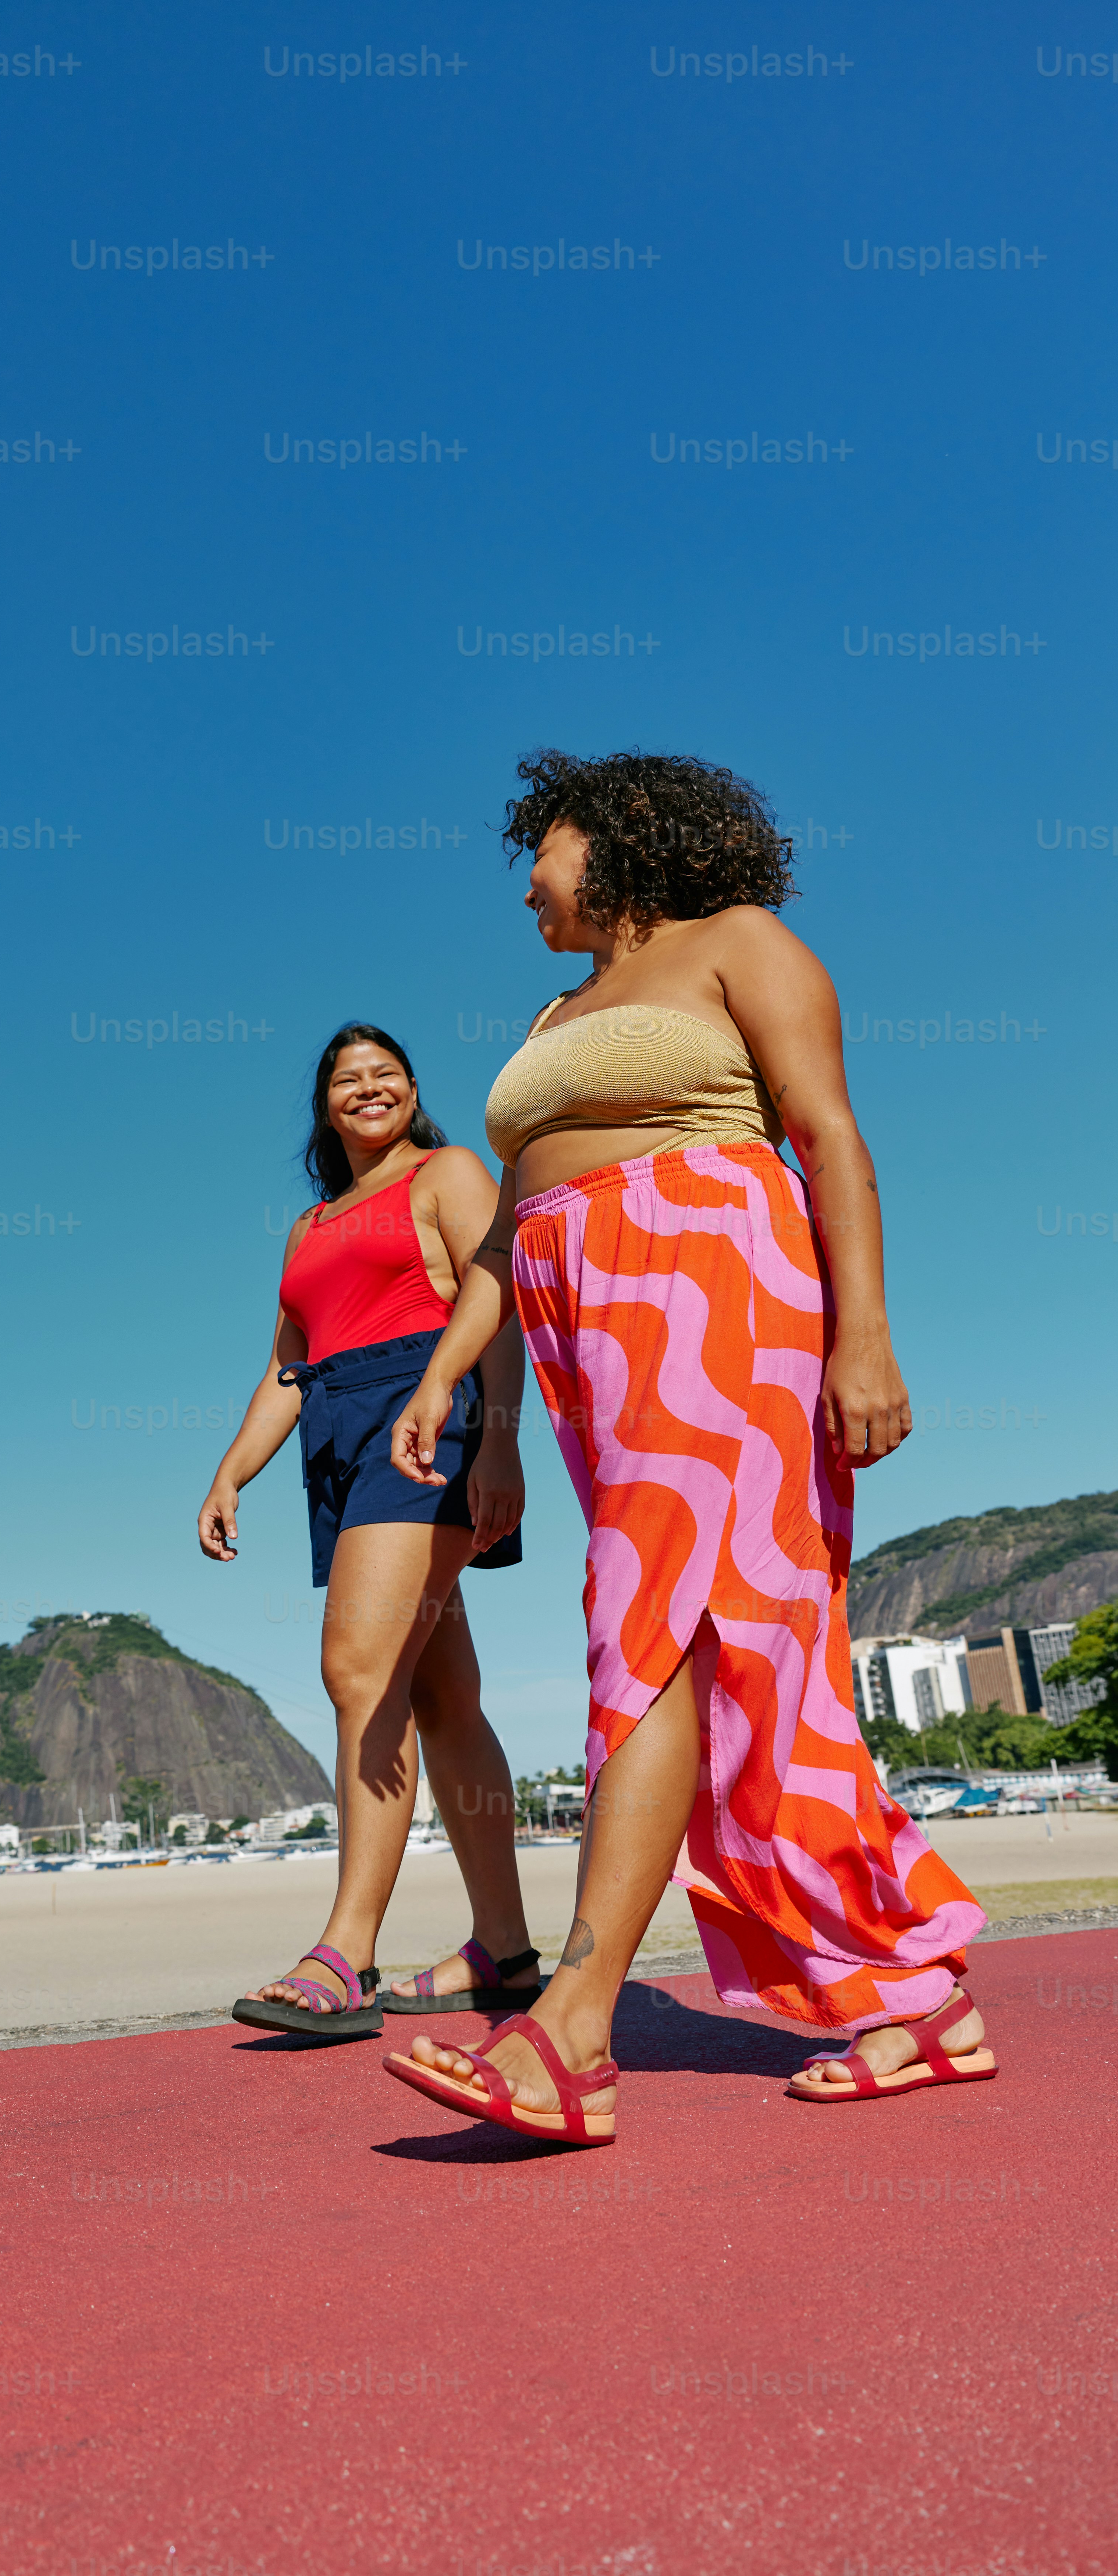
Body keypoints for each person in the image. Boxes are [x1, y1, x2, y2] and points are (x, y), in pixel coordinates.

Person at [384, 750, 993, 2143]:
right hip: (583, 1330)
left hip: (715, 1289)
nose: (526, 883)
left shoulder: (741, 945)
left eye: (539, 849)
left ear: (615, 840)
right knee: (734, 1653)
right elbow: (505, 1228)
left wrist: (866, 1338)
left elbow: (831, 1138)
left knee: (651, 1635)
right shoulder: (558, 1008)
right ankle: (912, 1991)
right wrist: (460, 1395)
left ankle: (574, 2033)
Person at [197, 1023, 542, 2039]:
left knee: (357, 1668)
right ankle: (505, 1952)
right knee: (441, 1694)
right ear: (325, 1108)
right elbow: (286, 1371)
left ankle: (345, 1953)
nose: (368, 1088)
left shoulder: (445, 1173)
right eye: (347, 1080)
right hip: (340, 1434)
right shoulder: (307, 1230)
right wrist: (231, 1472)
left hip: (425, 1414)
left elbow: (504, 1295)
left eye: (386, 1073)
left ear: (414, 1089)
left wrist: (501, 1447)